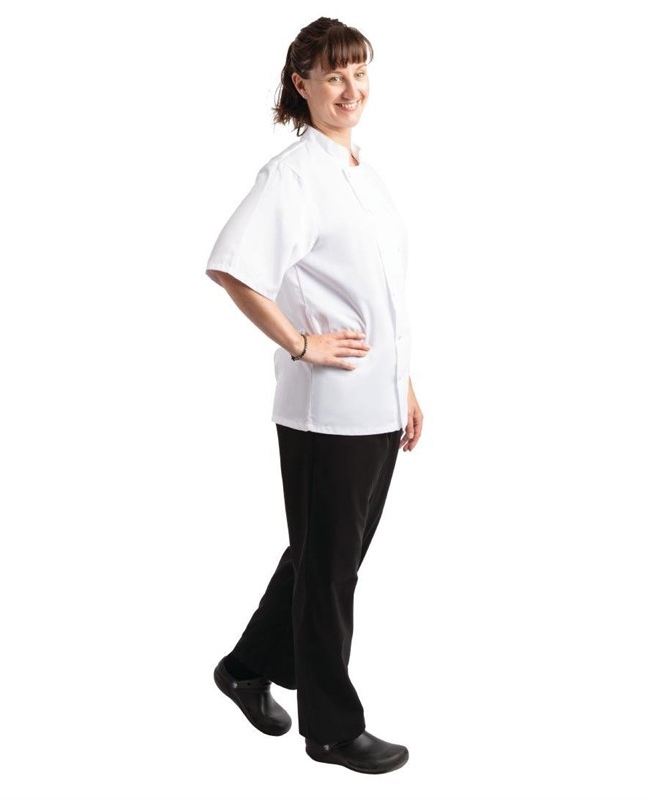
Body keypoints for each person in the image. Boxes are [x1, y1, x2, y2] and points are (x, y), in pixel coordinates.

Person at [205, 16, 423, 774]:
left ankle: (245, 668)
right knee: (331, 572)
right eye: (334, 76)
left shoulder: (362, 172)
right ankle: (331, 729)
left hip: (377, 405)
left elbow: (377, 296)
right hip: (325, 413)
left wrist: (404, 384)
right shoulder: (292, 176)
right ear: (302, 85)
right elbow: (233, 267)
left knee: (323, 558)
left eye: (359, 72)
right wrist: (301, 344)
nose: (350, 89)